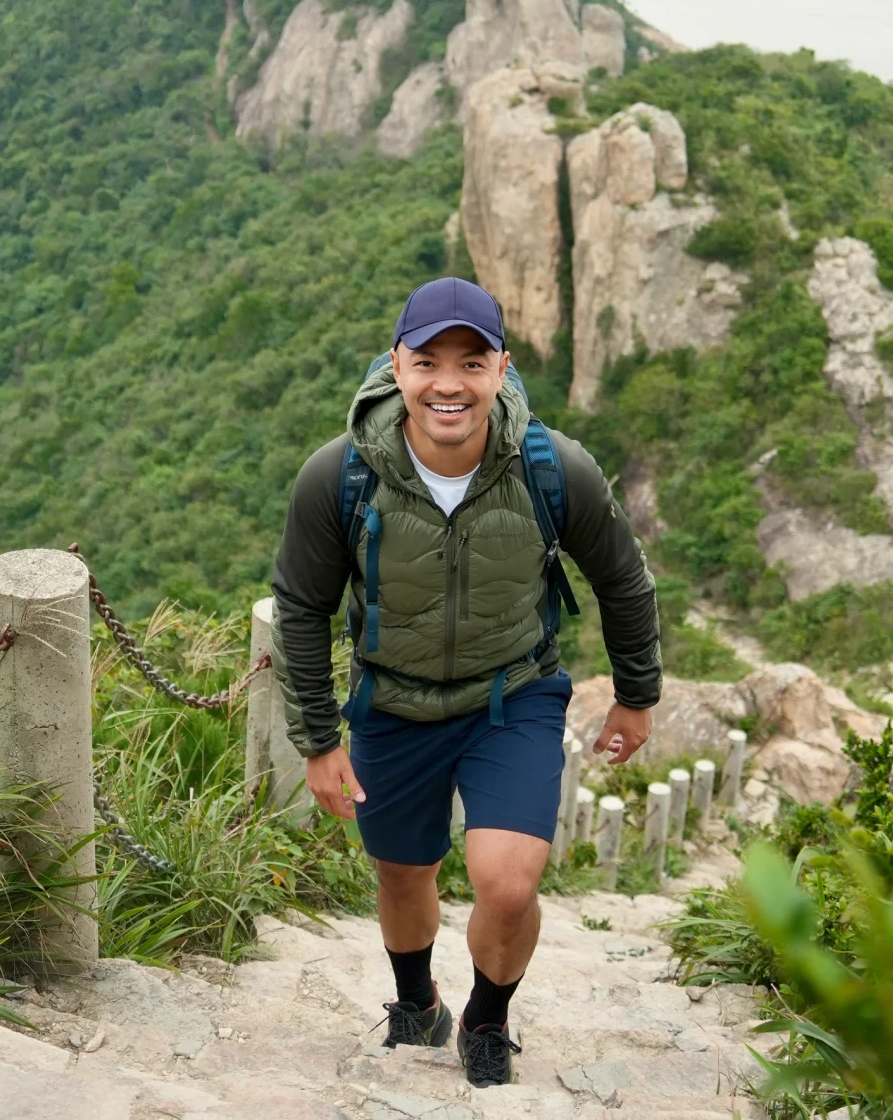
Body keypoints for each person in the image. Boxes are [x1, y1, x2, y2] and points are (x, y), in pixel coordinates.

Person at [270, 277, 662, 1088]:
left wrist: (637, 692)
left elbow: (624, 579)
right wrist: (316, 739)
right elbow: (301, 606)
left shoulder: (554, 469)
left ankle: (487, 1019)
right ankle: (417, 1004)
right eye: (429, 361)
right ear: (397, 366)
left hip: (509, 696)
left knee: (508, 883)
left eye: (471, 362)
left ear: (500, 369)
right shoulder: (339, 476)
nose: (449, 382)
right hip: (392, 701)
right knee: (402, 873)